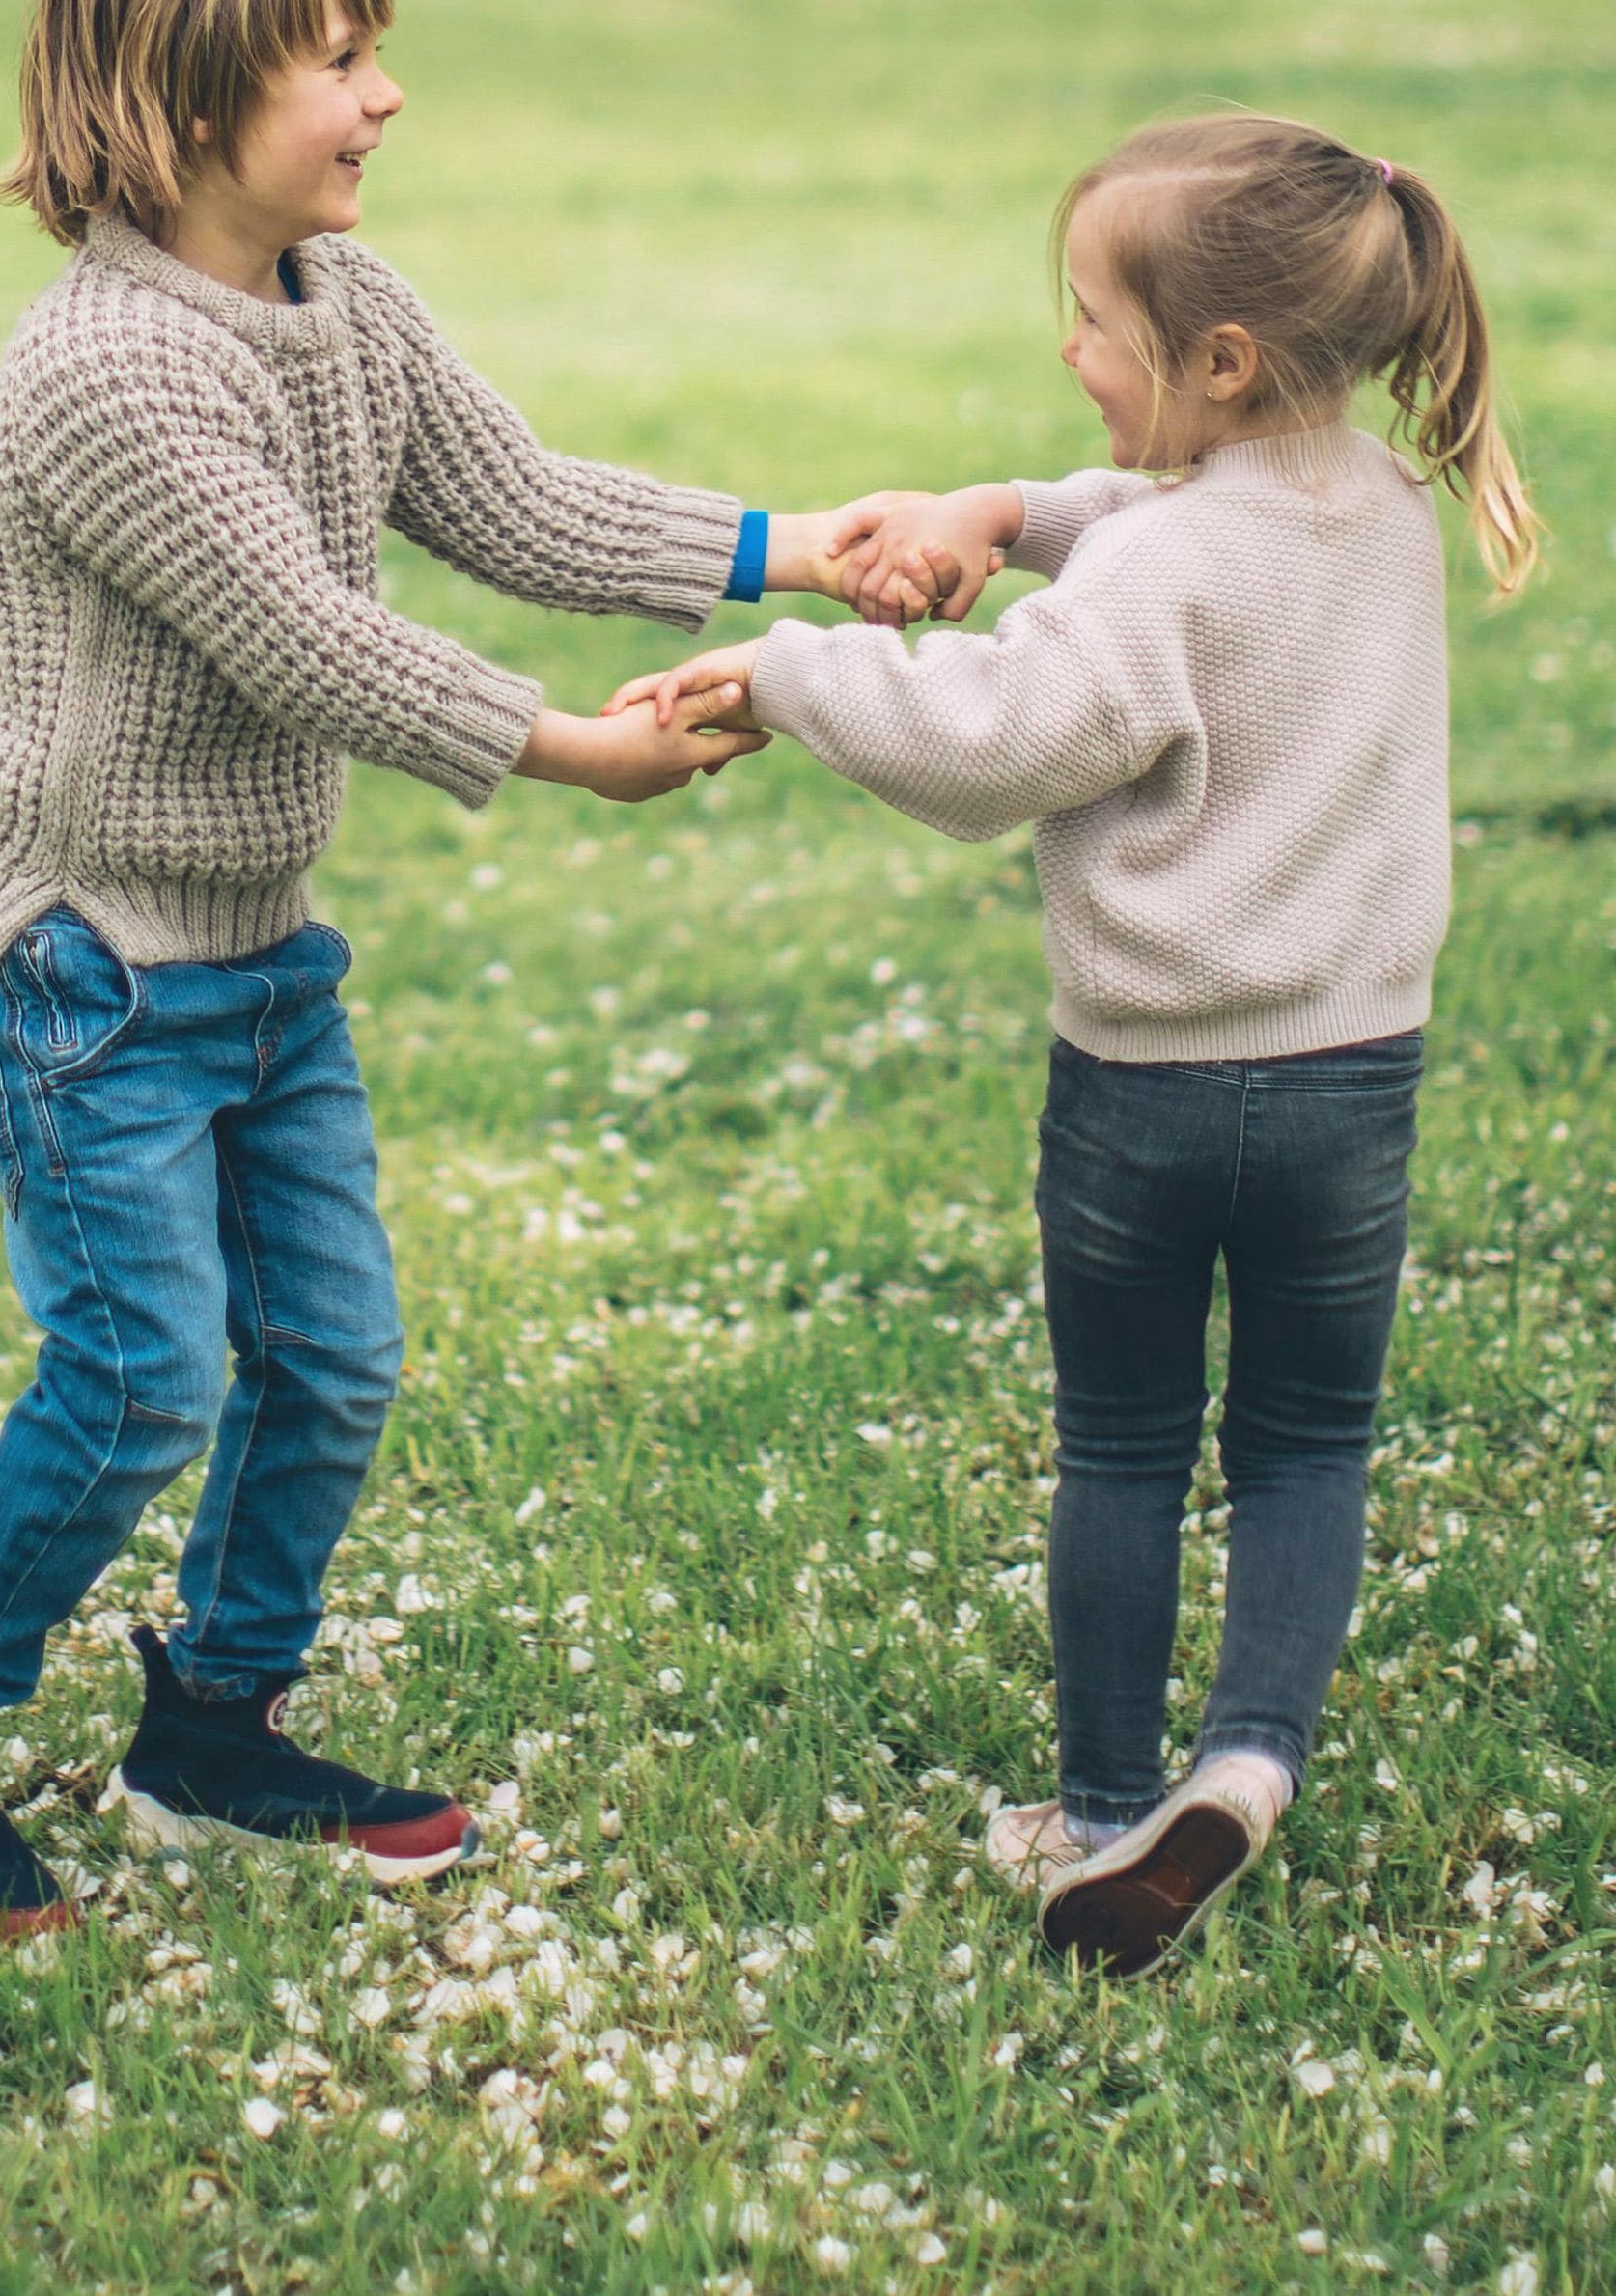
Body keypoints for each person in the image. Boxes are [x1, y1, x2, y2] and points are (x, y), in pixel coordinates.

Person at [0, 0, 906, 1935]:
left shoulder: (344, 302)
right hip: (81, 964)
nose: (386, 95)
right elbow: (308, 640)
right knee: (142, 1377)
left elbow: (518, 500)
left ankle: (213, 1728)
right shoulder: (104, 372)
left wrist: (791, 545)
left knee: (332, 1356)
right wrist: (573, 750)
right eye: (338, 58)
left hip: (259, 950)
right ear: (187, 96)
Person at [620, 111, 1539, 1975]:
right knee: (1308, 1444)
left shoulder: (1154, 580)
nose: (1069, 349)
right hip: (1353, 1081)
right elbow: (1183, 522)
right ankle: (1249, 1763)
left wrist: (792, 673)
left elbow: (999, 742)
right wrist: (1001, 509)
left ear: (1220, 363)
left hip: (1145, 1095)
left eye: (1096, 323)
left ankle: (1106, 1804)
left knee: (1121, 1447)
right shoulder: (1382, 508)